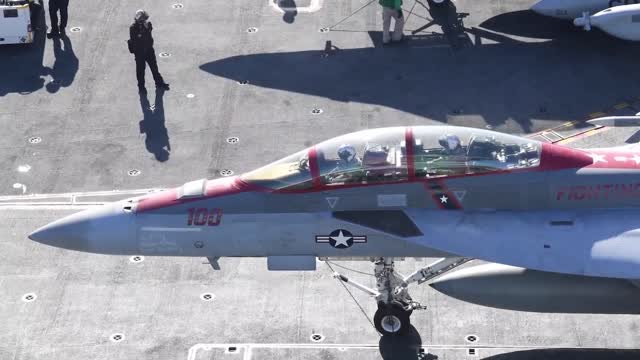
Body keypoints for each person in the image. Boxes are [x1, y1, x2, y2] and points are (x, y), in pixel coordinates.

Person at [129, 10, 170, 94]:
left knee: (154, 67)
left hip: (149, 50)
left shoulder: (148, 25)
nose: (145, 21)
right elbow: (135, 39)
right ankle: (141, 87)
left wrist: (146, 28)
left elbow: (149, 31)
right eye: (143, 20)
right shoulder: (133, 28)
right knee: (140, 70)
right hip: (139, 53)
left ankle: (159, 83)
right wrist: (141, 31)